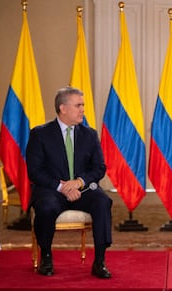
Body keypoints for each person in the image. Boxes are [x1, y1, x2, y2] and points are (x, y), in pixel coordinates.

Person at [26, 86, 112, 278]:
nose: (83, 109)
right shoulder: (40, 134)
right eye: (78, 105)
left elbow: (99, 168)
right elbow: (35, 171)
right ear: (63, 108)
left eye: (83, 105)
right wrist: (62, 186)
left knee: (103, 201)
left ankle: (100, 261)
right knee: (46, 207)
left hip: (82, 189)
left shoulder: (90, 134)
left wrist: (79, 182)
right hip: (52, 190)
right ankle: (46, 255)